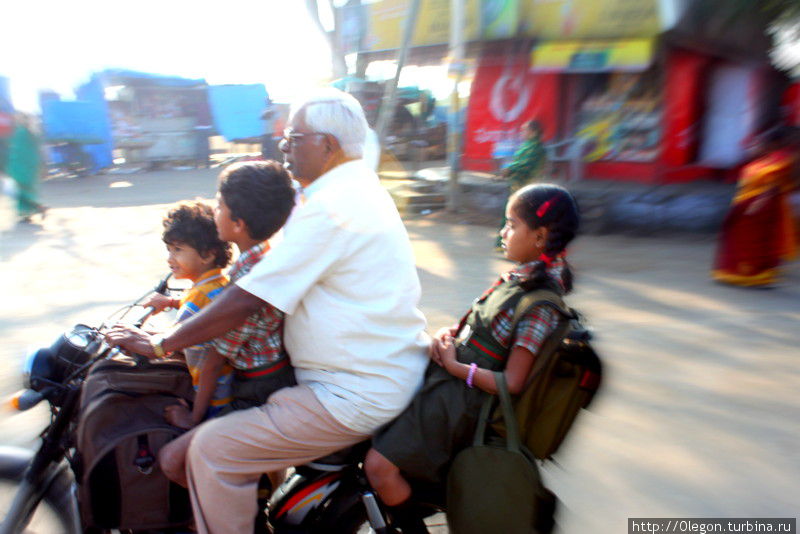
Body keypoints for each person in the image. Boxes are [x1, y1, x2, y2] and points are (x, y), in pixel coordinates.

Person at [106, 88, 429, 534]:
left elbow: (246, 299)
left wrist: (162, 343)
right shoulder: (342, 189)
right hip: (350, 376)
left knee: (210, 452)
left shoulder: (336, 204)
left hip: (349, 393)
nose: (285, 148)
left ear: (327, 145)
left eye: (293, 139)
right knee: (189, 451)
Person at [364, 183, 580, 532]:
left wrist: (455, 366)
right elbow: (482, 330)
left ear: (540, 236)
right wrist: (448, 334)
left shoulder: (539, 304)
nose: (503, 232)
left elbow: (512, 382)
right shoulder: (518, 278)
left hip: (459, 402)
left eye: (511, 225)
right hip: (449, 384)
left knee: (378, 467)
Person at [157, 160, 297, 488]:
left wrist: (192, 419)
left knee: (175, 461)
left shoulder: (248, 279)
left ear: (237, 222)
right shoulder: (259, 258)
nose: (214, 211)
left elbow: (213, 356)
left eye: (220, 205)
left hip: (255, 388)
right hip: (267, 376)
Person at [144, 201, 233, 422]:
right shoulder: (219, 283)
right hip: (230, 390)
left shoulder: (198, 298)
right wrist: (171, 302)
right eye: (169, 250)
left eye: (178, 250)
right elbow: (198, 302)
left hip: (214, 402)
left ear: (207, 255)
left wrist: (193, 418)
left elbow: (208, 367)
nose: (170, 258)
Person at [711, 128, 798, 287]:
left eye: (763, 144)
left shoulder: (781, 160)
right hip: (745, 204)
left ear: (774, 144)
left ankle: (752, 275)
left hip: (761, 208)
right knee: (738, 239)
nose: (759, 147)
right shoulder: (765, 160)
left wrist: (759, 203)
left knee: (755, 242)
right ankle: (734, 273)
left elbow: (774, 186)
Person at [495, 120, 547, 247]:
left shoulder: (536, 148)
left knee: (519, 218)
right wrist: (508, 172)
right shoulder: (528, 146)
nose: (522, 133)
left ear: (533, 132)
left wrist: (509, 170)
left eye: (525, 130)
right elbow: (519, 163)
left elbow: (525, 166)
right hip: (519, 187)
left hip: (526, 189)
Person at [5, 113, 47, 223]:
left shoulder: (19, 132)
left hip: (19, 167)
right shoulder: (33, 133)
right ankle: (33, 210)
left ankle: (31, 211)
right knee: (26, 191)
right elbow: (39, 151)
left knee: (18, 191)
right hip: (31, 167)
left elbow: (14, 150)